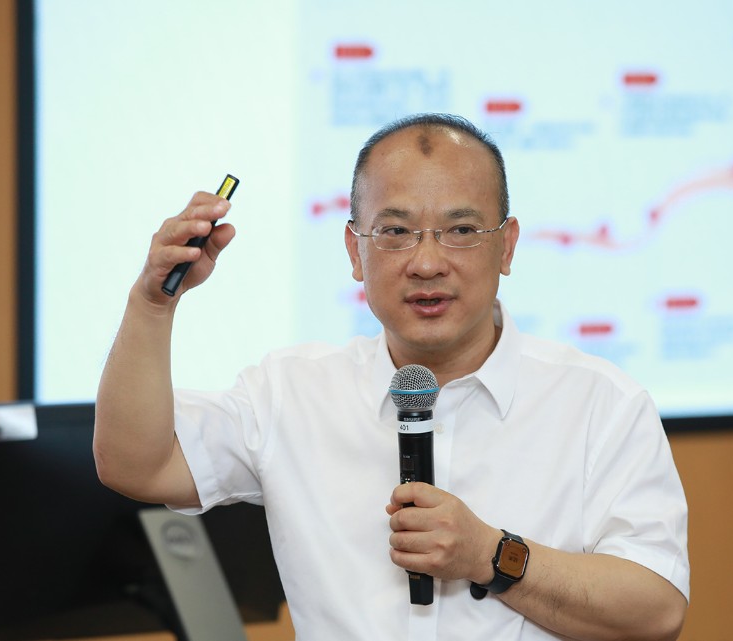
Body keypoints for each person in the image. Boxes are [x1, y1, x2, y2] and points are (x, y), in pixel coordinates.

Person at [94, 113, 689, 640]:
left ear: (507, 247)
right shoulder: (291, 393)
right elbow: (137, 465)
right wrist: (152, 304)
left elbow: (656, 610)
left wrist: (491, 556)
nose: (427, 263)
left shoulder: (601, 404)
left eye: (461, 231)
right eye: (396, 232)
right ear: (355, 251)